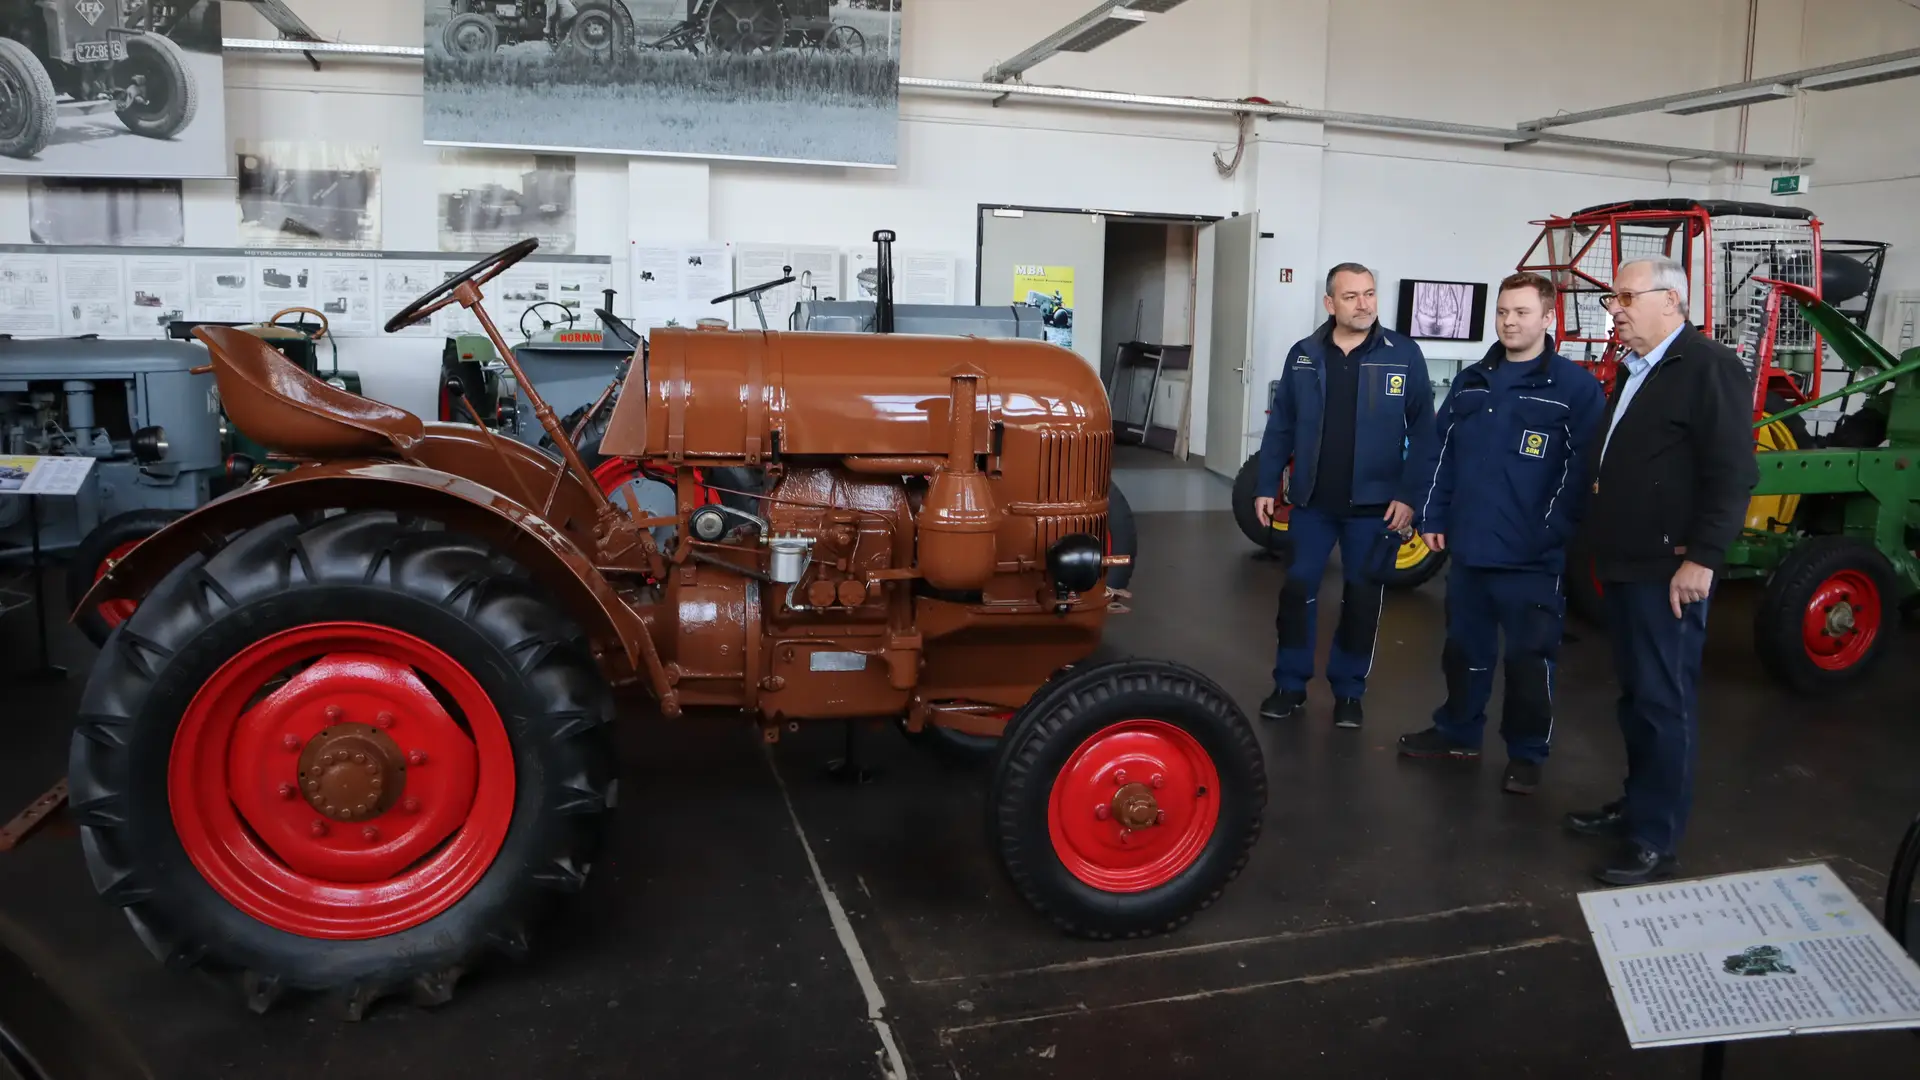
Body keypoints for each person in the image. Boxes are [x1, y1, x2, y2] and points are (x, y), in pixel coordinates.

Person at [1562, 255, 1758, 886]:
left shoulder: (1708, 367)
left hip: (1668, 570)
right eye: (1612, 299)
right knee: (1636, 697)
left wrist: (1702, 557)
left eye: (1626, 297)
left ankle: (1655, 838)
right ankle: (1637, 805)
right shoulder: (1636, 368)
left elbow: (1733, 472)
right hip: (1625, 563)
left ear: (1671, 300)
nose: (1614, 310)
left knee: (1662, 701)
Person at [1396, 272, 1607, 794]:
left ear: (1548, 317)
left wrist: (1551, 532)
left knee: (1529, 660)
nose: (1510, 322)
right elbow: (1441, 453)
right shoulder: (1472, 381)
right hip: (1469, 549)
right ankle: (1458, 732)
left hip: (1532, 558)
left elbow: (1581, 473)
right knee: (1463, 651)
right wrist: (1434, 516)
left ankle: (1527, 754)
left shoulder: (1575, 389)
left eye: (1522, 312)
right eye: (1503, 312)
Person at [1254, 263, 1437, 729]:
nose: (1364, 304)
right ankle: (1289, 685)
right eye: (1351, 296)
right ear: (1330, 303)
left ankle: (1349, 691)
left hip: (1375, 509)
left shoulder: (1403, 354)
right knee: (1298, 590)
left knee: (1362, 597)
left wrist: (1410, 495)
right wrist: (1266, 483)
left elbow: (1424, 432)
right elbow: (1282, 424)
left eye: (1370, 293)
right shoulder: (1304, 354)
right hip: (1312, 503)